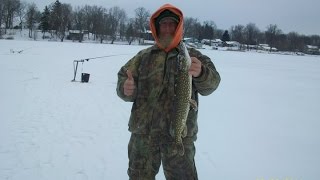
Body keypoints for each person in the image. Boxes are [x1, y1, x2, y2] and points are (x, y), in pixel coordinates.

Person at [116, 3, 221, 180]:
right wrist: (125, 88)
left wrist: (202, 72)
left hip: (178, 135)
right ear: (156, 28)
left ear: (179, 27)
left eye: (172, 24)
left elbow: (213, 83)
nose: (167, 28)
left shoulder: (193, 57)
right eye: (163, 24)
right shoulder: (143, 56)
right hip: (144, 135)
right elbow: (122, 77)